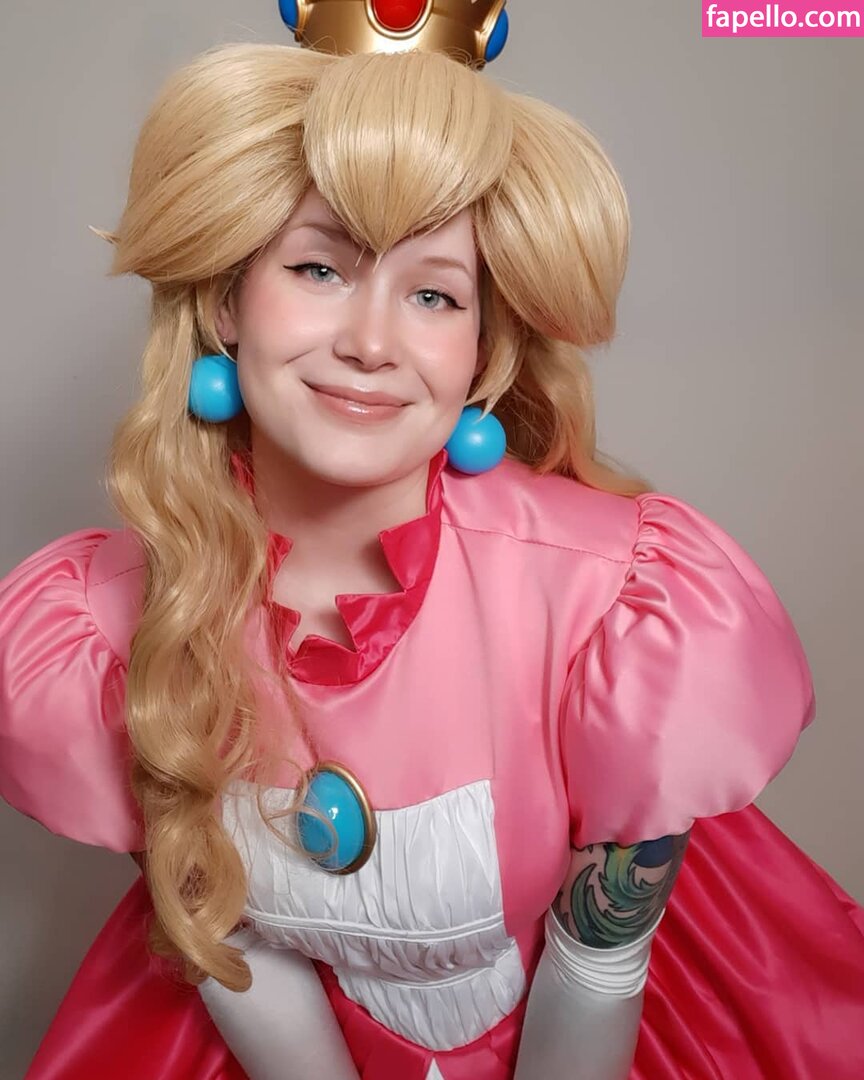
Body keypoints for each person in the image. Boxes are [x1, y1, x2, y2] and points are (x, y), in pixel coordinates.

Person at [1, 5, 863, 1078]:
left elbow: (599, 962)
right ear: (227, 301)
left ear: (481, 352)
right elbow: (227, 941)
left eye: (433, 294)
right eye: (319, 269)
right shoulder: (100, 628)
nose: (371, 343)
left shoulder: (621, 605)